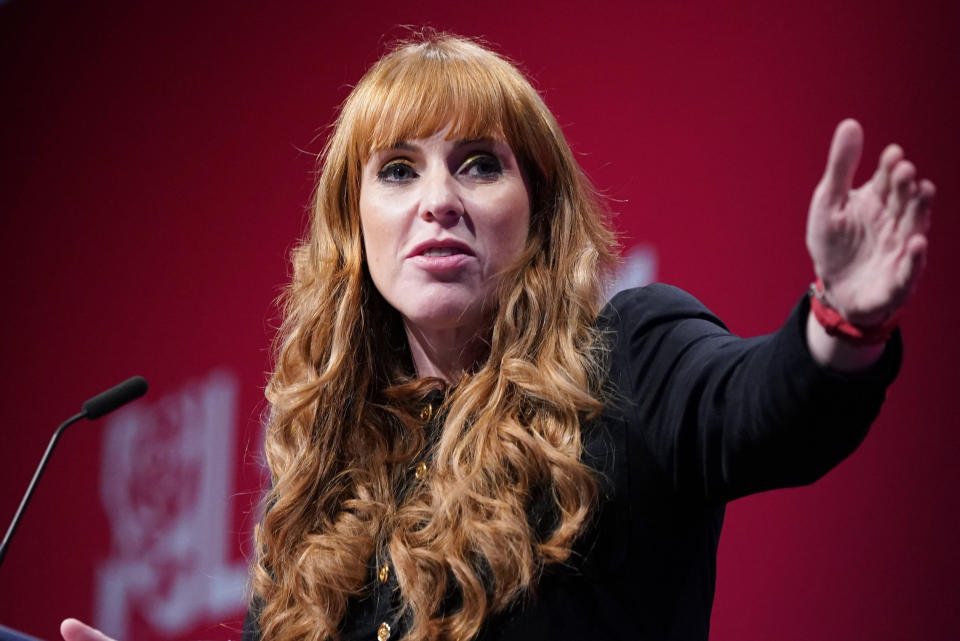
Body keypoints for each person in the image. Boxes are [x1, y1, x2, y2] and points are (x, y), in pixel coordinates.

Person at [61, 32, 934, 641]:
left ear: (539, 213)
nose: (439, 198)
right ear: (354, 230)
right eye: (398, 170)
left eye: (479, 162)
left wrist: (840, 319)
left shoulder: (626, 354)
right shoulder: (319, 498)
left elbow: (759, 408)